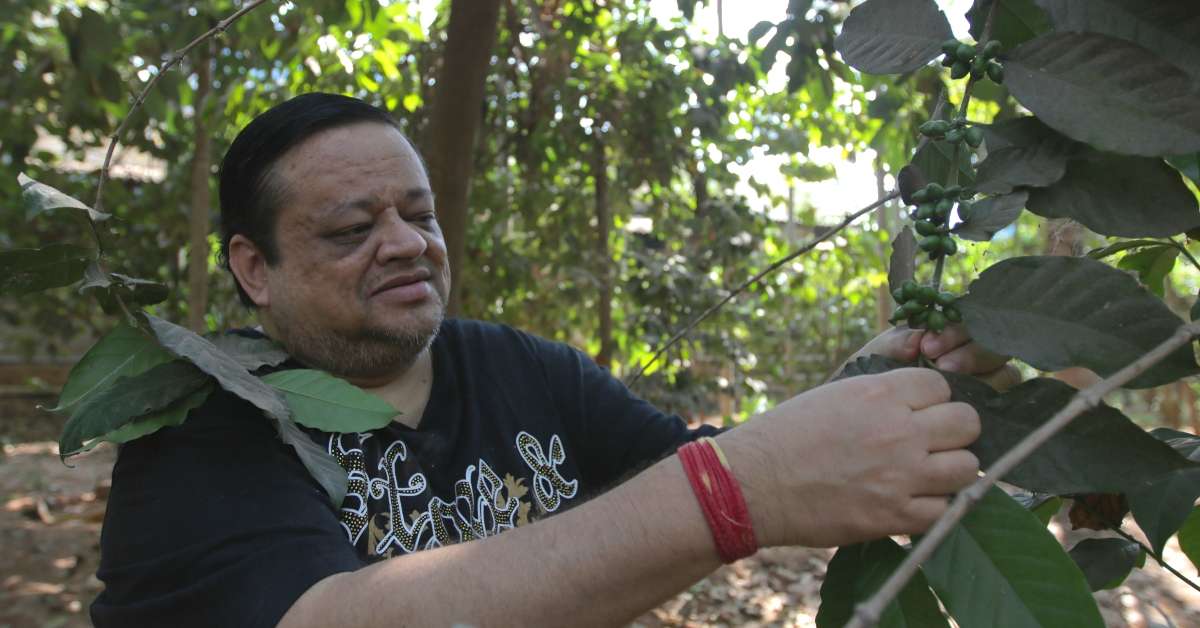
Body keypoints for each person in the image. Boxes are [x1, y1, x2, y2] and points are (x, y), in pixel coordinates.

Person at [90, 93, 1018, 628]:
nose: (407, 243)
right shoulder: (202, 425)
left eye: (419, 214)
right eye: (350, 228)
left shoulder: (518, 368)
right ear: (255, 268)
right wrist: (741, 493)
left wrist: (876, 381)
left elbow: (691, 461)